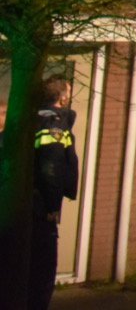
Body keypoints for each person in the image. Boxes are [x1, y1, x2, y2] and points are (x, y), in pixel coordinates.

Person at [30, 75, 80, 310]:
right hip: (41, 206)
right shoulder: (54, 124)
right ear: (62, 96)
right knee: (43, 269)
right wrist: (52, 207)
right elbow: (51, 166)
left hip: (32, 202)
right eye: (68, 92)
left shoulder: (35, 118)